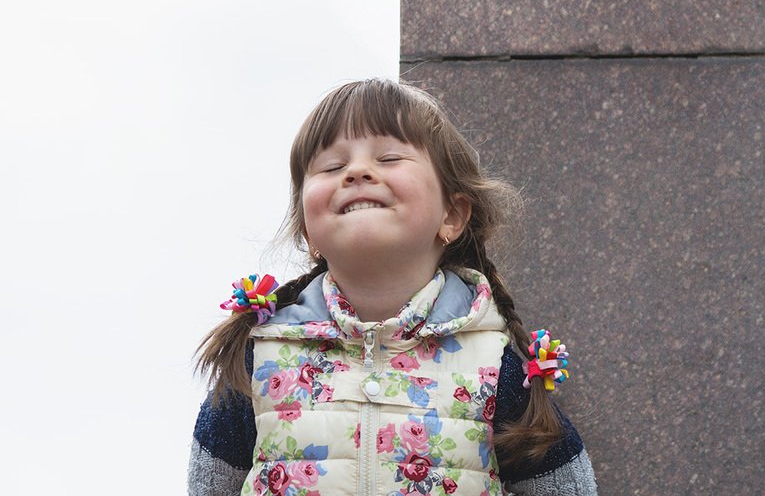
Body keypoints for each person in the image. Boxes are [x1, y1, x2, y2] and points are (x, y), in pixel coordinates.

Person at [189, 79, 597, 495]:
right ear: (307, 232)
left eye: (387, 157)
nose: (357, 172)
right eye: (331, 166)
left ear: (452, 215)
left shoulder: (494, 366)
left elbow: (566, 485)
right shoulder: (260, 359)